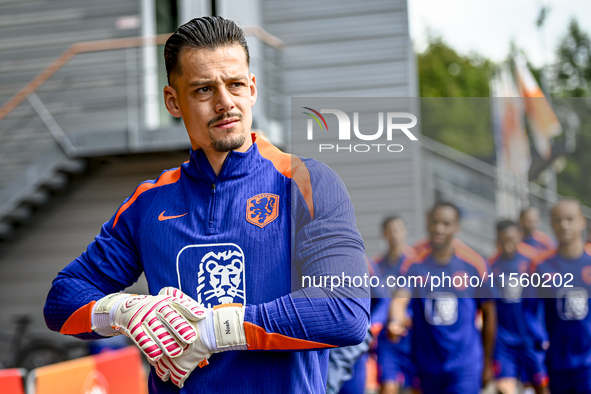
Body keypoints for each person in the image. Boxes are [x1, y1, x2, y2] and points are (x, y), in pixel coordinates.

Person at [43, 16, 370, 393]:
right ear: (173, 101)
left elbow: (345, 312)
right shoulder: (148, 203)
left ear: (252, 89)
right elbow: (61, 301)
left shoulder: (307, 184)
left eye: (234, 85)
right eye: (203, 90)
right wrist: (126, 311)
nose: (224, 102)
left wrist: (215, 330)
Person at [389, 201, 497, 393]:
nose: (439, 228)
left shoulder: (474, 263)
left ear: (456, 227)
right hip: (426, 365)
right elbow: (400, 299)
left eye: (446, 224)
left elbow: (489, 314)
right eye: (435, 222)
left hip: (465, 365)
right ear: (427, 223)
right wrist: (396, 320)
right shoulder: (414, 263)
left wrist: (487, 363)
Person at [530, 199, 591, 394]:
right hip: (557, 365)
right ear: (551, 224)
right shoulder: (540, 266)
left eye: (570, 219)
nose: (564, 224)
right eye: (558, 220)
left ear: (582, 221)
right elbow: (529, 315)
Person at [489, 220, 548, 394]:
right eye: (503, 240)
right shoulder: (491, 266)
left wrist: (543, 332)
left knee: (541, 387)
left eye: (512, 240)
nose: (508, 245)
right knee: (504, 388)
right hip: (504, 340)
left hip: (531, 338)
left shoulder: (534, 263)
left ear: (520, 237)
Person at [375, 216, 419, 394]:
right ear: (384, 234)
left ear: (405, 232)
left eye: (398, 230)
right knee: (388, 387)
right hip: (388, 337)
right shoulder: (377, 266)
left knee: (415, 388)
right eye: (391, 231)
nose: (395, 235)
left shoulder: (417, 263)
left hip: (414, 337)